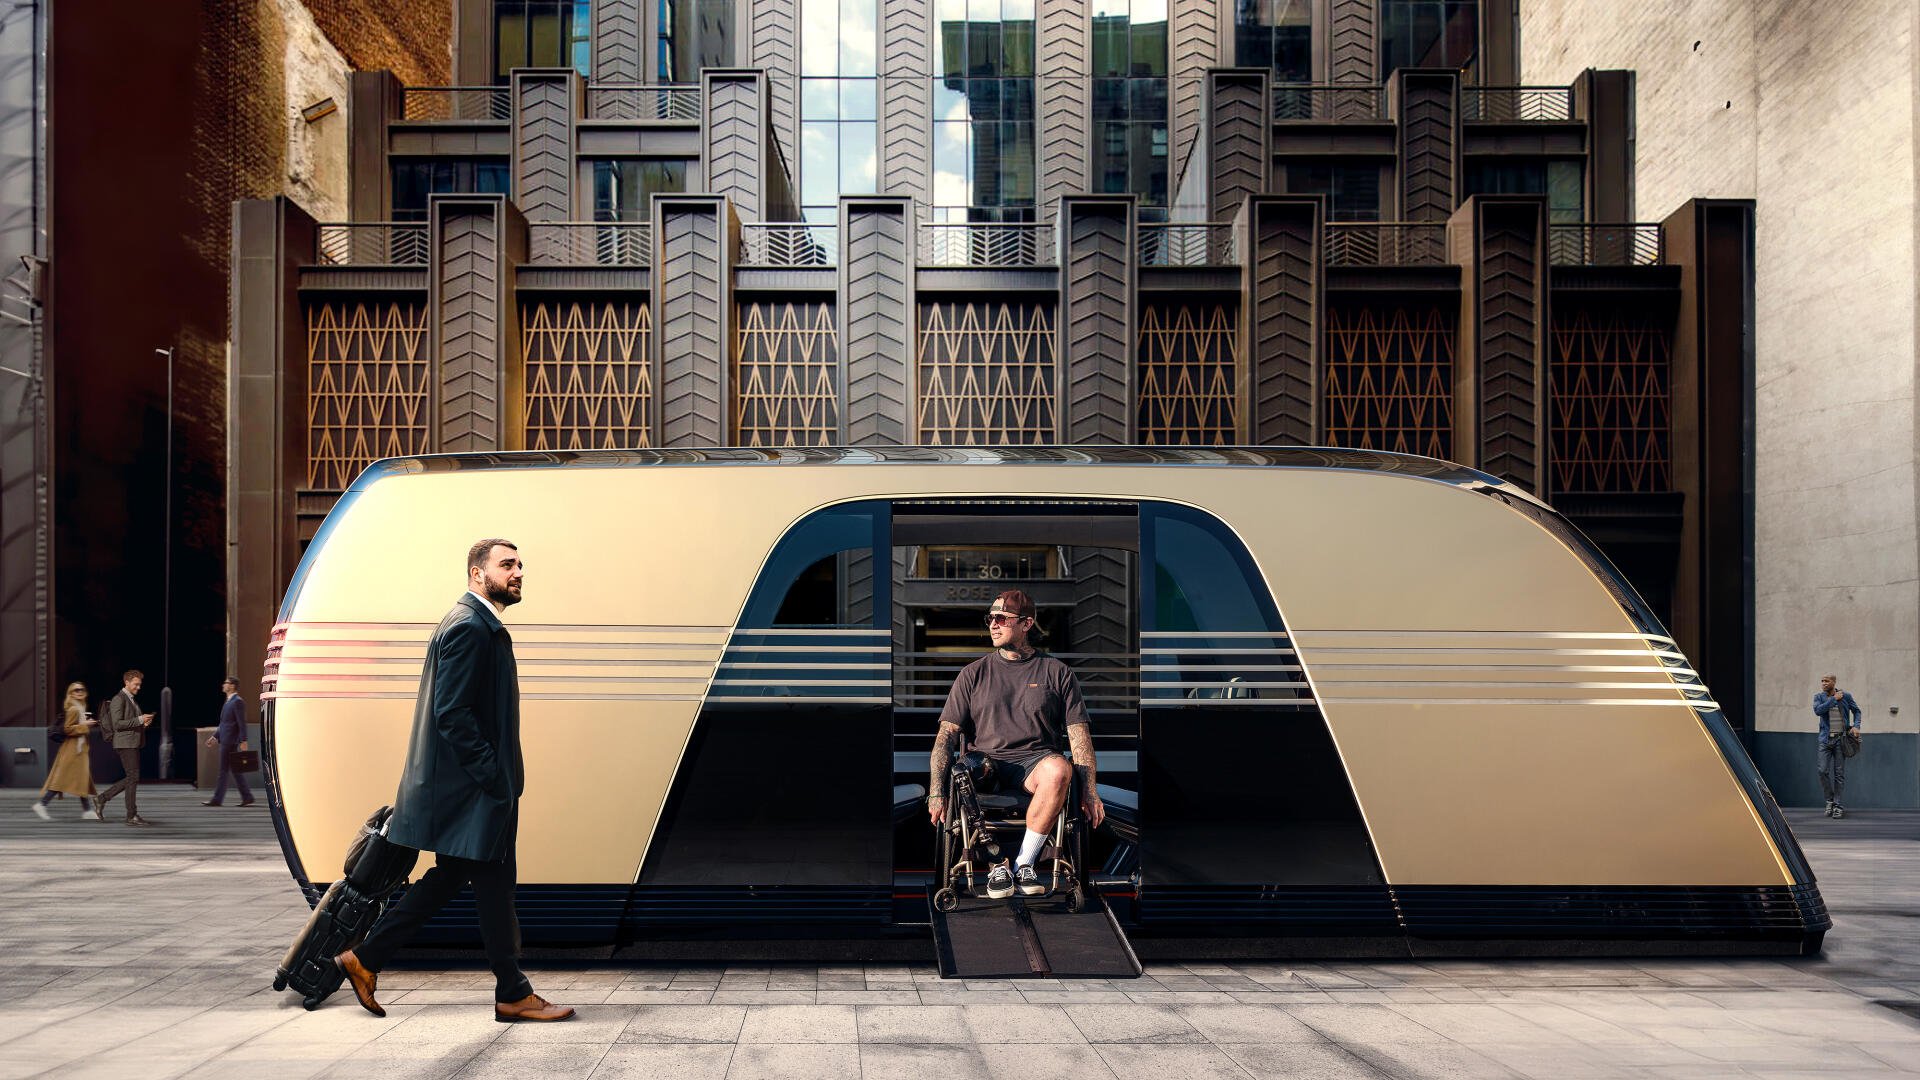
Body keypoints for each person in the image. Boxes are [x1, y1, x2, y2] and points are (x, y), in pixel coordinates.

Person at [333, 539, 572, 1024]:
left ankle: (371, 958)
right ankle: (510, 992)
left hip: (475, 791)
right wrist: (494, 777)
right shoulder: (470, 627)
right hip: (474, 793)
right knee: (486, 882)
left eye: (520, 564)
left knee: (475, 882)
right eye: (507, 565)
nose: (519, 572)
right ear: (477, 573)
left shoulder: (476, 624)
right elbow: (453, 714)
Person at [926, 589, 1104, 900]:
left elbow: (1079, 738)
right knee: (964, 771)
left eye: (1000, 618)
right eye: (990, 618)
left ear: (1026, 623)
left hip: (1035, 766)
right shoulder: (972, 674)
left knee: (1060, 768)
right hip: (986, 769)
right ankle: (996, 864)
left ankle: (1023, 863)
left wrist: (1089, 791)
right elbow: (946, 737)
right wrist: (937, 792)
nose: (992, 625)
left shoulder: (1057, 673)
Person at [95, 670, 155, 826]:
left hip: (131, 743)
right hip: (125, 744)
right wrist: (140, 719)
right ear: (127, 682)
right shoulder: (118, 699)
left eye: (140, 684)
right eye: (136, 684)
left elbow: (130, 723)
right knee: (133, 777)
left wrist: (143, 724)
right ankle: (131, 815)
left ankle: (102, 799)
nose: (138, 687)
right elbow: (117, 724)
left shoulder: (130, 699)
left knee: (132, 777)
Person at [32, 683, 99, 820]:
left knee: (82, 779)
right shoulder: (74, 709)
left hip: (78, 750)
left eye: (82, 689)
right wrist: (85, 726)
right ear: (71, 693)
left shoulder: (80, 708)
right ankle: (42, 804)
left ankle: (87, 811)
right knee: (62, 779)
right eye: (76, 690)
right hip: (72, 749)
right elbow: (68, 729)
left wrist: (85, 724)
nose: (79, 692)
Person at [1814, 673, 1862, 818]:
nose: (1823, 683)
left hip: (1841, 741)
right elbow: (1818, 711)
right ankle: (1830, 800)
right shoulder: (1819, 697)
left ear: (1834, 682)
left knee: (1839, 774)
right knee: (1822, 771)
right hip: (1825, 740)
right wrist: (1833, 699)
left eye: (1826, 681)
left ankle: (1838, 805)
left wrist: (1856, 726)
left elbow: (1857, 711)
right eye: (1822, 681)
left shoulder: (1846, 696)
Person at [202, 676, 255, 807]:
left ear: (232, 686)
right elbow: (224, 724)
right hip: (226, 739)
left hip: (230, 741)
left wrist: (243, 740)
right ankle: (247, 796)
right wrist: (214, 737)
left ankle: (217, 799)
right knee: (235, 770)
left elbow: (241, 723)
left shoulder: (238, 702)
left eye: (226, 683)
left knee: (223, 771)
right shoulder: (229, 701)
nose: (223, 685)